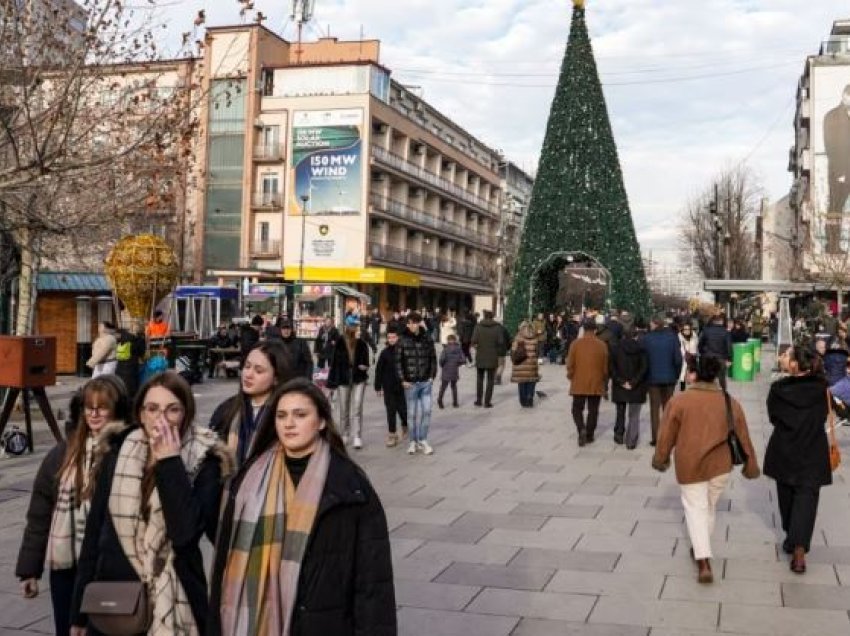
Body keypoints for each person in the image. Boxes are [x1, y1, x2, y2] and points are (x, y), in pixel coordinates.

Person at [210, 378, 396, 636]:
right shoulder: (247, 482)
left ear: (320, 422)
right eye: (281, 415)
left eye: (300, 415)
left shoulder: (349, 486)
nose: (289, 423)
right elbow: (223, 568)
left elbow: (373, 583)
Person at [69, 371, 234, 635]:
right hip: (117, 599)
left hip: (177, 597)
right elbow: (94, 533)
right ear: (141, 414)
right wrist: (78, 613)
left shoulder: (206, 460)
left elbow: (185, 536)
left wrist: (170, 462)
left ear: (186, 414)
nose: (161, 418)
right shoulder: (119, 451)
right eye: (153, 408)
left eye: (173, 410)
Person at [16, 376, 130, 636]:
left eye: (102, 407)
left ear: (117, 409)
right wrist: (29, 570)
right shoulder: (62, 454)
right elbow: (39, 515)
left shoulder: (126, 451)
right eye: (88, 407)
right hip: (67, 567)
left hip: (107, 566)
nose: (94, 413)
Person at [652, 356, 760, 584]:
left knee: (695, 508)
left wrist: (661, 458)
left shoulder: (679, 401)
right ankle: (701, 547)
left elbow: (666, 435)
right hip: (720, 465)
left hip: (689, 464)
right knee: (709, 507)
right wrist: (751, 464)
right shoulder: (729, 401)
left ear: (693, 374)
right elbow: (744, 436)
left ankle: (703, 560)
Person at [765, 346, 832, 574]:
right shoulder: (822, 388)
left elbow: (773, 417)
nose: (783, 360)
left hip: (785, 449)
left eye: (788, 357)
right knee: (807, 498)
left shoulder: (778, 390)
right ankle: (799, 548)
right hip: (813, 450)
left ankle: (792, 539)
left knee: (787, 496)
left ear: (795, 364)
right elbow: (823, 414)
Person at [210, 342, 295, 467]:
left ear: (276, 377)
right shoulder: (227, 410)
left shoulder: (287, 416)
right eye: (247, 366)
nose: (248, 375)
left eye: (258, 371)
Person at [396, 311, 438, 455]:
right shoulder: (402, 339)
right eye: (410, 323)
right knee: (412, 414)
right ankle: (413, 441)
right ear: (407, 324)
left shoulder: (427, 338)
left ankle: (423, 439)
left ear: (420, 323)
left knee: (427, 411)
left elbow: (433, 358)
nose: (413, 325)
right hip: (410, 383)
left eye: (415, 322)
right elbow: (398, 362)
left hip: (425, 382)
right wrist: (402, 379)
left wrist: (432, 376)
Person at [326, 326, 371, 449]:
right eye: (355, 331)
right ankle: (345, 434)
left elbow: (367, 362)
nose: (357, 333)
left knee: (357, 407)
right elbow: (334, 363)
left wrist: (365, 366)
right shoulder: (340, 342)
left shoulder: (362, 343)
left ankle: (357, 436)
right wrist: (331, 383)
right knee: (344, 408)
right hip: (343, 379)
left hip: (358, 378)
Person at [566, 319, 609, 446]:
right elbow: (605, 367)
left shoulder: (575, 344)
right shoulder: (602, 345)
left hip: (579, 381)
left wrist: (570, 375)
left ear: (583, 329)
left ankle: (581, 429)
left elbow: (570, 364)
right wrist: (604, 379)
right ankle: (590, 434)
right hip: (596, 381)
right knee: (593, 410)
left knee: (576, 408)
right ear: (595, 329)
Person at [643, 316, 683, 446]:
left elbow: (643, 359)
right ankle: (669, 437)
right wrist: (676, 375)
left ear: (655, 324)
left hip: (652, 378)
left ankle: (656, 438)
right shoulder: (672, 338)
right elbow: (678, 359)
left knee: (654, 409)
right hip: (669, 378)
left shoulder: (647, 338)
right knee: (668, 409)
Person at [610, 327, 648, 448]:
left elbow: (611, 368)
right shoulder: (641, 349)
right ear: (636, 336)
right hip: (636, 386)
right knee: (634, 414)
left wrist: (621, 381)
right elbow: (644, 368)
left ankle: (619, 434)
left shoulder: (615, 349)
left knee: (620, 411)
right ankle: (631, 440)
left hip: (620, 385)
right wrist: (633, 382)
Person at [824, 83, 850, 252]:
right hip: (839, 172)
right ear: (843, 96)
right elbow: (831, 146)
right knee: (835, 209)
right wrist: (840, 172)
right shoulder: (832, 116)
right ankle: (832, 245)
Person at [375, 326, 408, 447]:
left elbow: (408, 368)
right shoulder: (384, 353)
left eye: (393, 337)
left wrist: (409, 381)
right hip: (388, 387)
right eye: (389, 337)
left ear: (397, 338)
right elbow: (379, 370)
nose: (391, 339)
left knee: (403, 410)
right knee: (391, 411)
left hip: (401, 386)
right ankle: (392, 435)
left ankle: (405, 425)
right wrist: (378, 387)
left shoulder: (403, 351)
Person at [470, 310, 504, 407]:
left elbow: (473, 341)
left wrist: (478, 347)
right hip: (492, 356)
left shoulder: (478, 327)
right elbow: (501, 342)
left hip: (480, 355)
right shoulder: (498, 328)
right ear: (492, 317)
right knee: (490, 380)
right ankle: (487, 402)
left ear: (484, 316)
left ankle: (478, 400)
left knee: (480, 379)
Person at [511, 321, 540, 408]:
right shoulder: (535, 338)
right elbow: (537, 352)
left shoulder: (518, 337)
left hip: (520, 364)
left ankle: (523, 400)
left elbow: (513, 352)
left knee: (522, 382)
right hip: (531, 364)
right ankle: (529, 398)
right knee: (531, 381)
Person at [698, 314, 733, 389]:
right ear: (721, 321)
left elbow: (700, 344)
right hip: (721, 359)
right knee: (721, 379)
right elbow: (729, 347)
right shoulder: (725, 332)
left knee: (707, 379)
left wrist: (703, 353)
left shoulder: (706, 330)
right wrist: (729, 359)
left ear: (713, 321)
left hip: (707, 358)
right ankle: (722, 395)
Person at [438, 334, 465, 409]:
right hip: (454, 370)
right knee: (454, 387)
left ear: (448, 341)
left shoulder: (446, 349)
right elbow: (463, 360)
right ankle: (455, 402)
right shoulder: (459, 349)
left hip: (446, 369)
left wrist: (442, 365)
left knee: (443, 387)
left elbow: (441, 359)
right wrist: (457, 364)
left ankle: (440, 400)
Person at [678, 323, 699, 392]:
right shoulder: (679, 337)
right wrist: (685, 355)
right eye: (685, 329)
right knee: (683, 375)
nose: (687, 331)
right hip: (684, 358)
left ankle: (693, 390)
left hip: (693, 358)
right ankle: (682, 390)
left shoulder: (694, 336)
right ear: (682, 330)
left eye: (688, 329)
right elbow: (680, 349)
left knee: (693, 374)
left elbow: (696, 346)